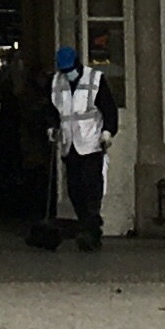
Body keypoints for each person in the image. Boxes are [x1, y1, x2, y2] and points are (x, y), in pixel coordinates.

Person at [47, 46, 117, 252]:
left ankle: (91, 230)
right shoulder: (57, 82)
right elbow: (53, 109)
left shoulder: (95, 79)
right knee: (75, 189)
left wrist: (107, 132)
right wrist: (52, 127)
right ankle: (85, 225)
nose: (68, 73)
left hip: (91, 143)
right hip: (70, 145)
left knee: (91, 187)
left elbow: (109, 109)